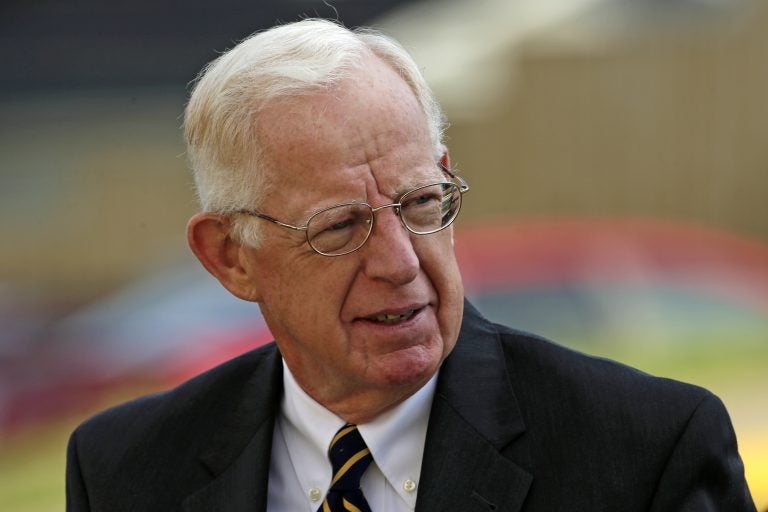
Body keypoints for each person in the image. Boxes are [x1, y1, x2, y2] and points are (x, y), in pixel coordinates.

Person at [65, 18, 756, 512]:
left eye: (422, 203)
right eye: (339, 226)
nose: (399, 262)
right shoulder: (122, 470)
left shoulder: (646, 451)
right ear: (230, 257)